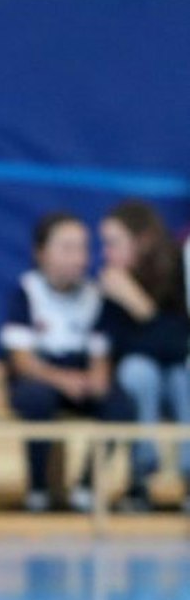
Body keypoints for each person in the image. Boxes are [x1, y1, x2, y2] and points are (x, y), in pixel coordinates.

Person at [0, 212, 129, 512]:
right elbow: (21, 360)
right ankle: (38, 488)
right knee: (36, 399)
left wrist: (97, 378)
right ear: (41, 253)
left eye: (82, 248)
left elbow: (100, 352)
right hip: (41, 376)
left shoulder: (94, 295)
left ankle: (87, 487)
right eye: (67, 248)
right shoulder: (26, 291)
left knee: (120, 405)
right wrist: (61, 380)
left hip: (80, 375)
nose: (77, 258)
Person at [95, 200, 190, 512]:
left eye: (114, 243)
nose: (106, 253)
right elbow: (119, 345)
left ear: (144, 240)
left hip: (176, 378)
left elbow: (179, 344)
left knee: (182, 376)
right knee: (140, 371)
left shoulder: (175, 270)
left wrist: (140, 307)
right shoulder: (111, 282)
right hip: (138, 382)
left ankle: (189, 475)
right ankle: (141, 475)